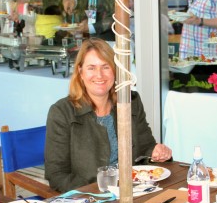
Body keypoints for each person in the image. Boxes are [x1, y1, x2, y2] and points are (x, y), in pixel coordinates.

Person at [45, 38, 171, 192]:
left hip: (135, 191)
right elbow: (56, 174)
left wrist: (158, 153)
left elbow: (146, 148)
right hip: (93, 197)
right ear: (80, 72)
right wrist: (98, 193)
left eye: (105, 67)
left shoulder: (131, 102)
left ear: (115, 71)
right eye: (91, 68)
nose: (99, 75)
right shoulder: (62, 112)